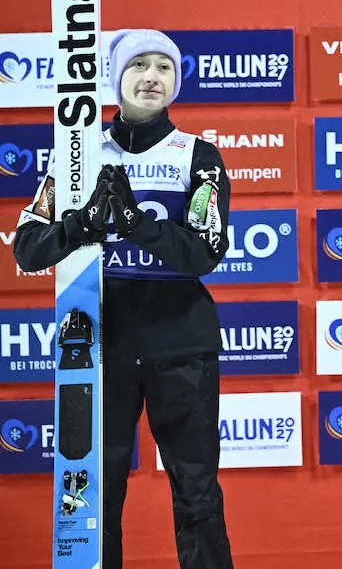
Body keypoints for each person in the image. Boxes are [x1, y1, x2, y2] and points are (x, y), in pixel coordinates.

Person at [14, 28, 236, 569]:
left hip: (180, 346)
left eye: (164, 67)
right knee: (94, 494)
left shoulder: (198, 156)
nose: (152, 77)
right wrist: (81, 224)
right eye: (140, 66)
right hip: (98, 347)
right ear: (117, 78)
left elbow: (206, 251)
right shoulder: (77, 155)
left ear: (177, 83)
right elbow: (27, 248)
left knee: (198, 492)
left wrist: (137, 225)